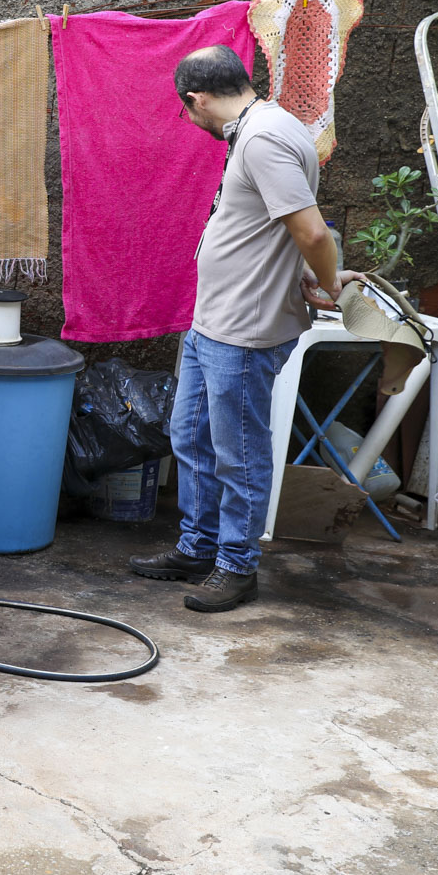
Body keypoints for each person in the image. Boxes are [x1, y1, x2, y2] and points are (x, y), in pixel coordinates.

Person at [129, 46, 358, 612]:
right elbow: (281, 224)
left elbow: (310, 230)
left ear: (196, 98)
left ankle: (236, 566)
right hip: (216, 319)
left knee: (240, 454)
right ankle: (198, 547)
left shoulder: (263, 139)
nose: (190, 120)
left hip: (245, 328)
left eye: (186, 111)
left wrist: (325, 279)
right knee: (190, 437)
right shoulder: (267, 127)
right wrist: (306, 271)